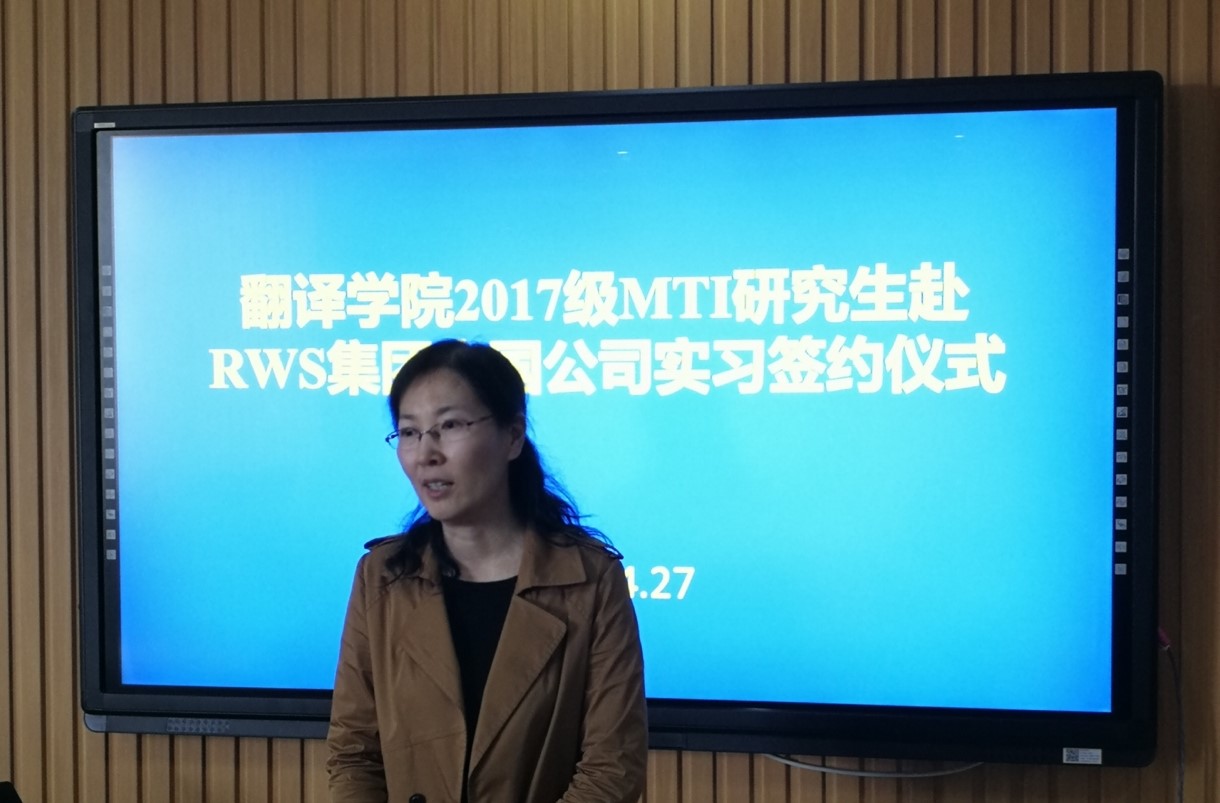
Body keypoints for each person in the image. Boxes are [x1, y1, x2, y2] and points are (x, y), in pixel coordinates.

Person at [327, 339, 648, 803]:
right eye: (410, 432)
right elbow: (354, 753)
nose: (426, 453)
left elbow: (611, 769)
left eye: (450, 425)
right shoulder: (383, 577)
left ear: (513, 435)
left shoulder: (590, 578)